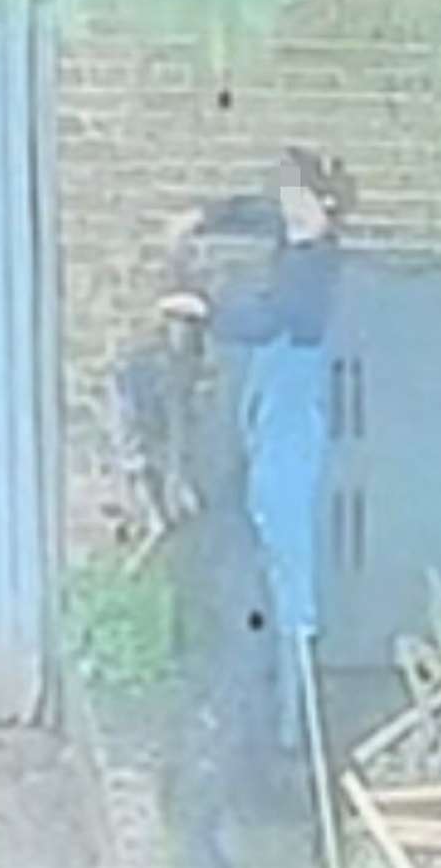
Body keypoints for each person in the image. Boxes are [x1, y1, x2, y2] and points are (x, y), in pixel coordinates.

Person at [159, 147, 347, 752]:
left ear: (324, 205)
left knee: (288, 554)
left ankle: (300, 724)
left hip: (292, 423)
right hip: (269, 411)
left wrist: (206, 310)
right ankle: (271, 692)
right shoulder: (288, 234)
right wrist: (200, 217)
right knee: (264, 547)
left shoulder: (313, 268)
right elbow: (254, 212)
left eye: (295, 192)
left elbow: (273, 318)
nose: (283, 199)